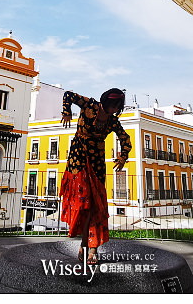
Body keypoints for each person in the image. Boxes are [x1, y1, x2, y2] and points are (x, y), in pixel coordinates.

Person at [59, 87, 132, 265]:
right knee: (83, 203)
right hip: (78, 160)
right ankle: (85, 246)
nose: (115, 109)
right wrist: (66, 111)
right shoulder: (89, 104)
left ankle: (91, 248)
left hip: (97, 162)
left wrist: (123, 157)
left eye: (118, 107)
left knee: (95, 206)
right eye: (114, 105)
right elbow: (68, 95)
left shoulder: (113, 122)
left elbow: (126, 139)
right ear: (107, 101)